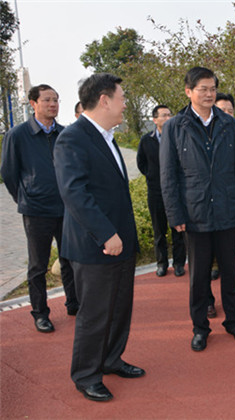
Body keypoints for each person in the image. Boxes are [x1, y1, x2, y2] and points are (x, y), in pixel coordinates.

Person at [54, 73, 144, 402]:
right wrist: (106, 234)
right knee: (95, 314)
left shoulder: (107, 137)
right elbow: (74, 193)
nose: (125, 104)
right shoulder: (73, 138)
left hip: (121, 242)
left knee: (119, 308)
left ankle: (111, 359)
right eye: (122, 98)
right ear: (104, 100)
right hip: (95, 246)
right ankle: (86, 375)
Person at [160, 66, 235, 352]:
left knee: (230, 273)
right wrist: (175, 214)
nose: (209, 94)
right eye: (203, 89)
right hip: (195, 213)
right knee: (198, 277)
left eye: (213, 88)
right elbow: (168, 174)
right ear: (189, 92)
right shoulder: (175, 126)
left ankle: (234, 322)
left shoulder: (228, 123)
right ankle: (200, 328)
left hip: (227, 210)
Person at [1, 84, 79, 333]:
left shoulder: (64, 134)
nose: (53, 104)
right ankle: (40, 314)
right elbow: (9, 173)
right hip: (36, 210)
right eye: (47, 100)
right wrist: (25, 197)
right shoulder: (17, 135)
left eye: (56, 100)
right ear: (33, 103)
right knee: (38, 266)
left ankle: (74, 303)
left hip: (65, 209)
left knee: (70, 259)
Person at [210, 92, 235, 315]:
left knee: (230, 260)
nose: (227, 114)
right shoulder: (202, 137)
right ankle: (207, 301)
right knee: (205, 260)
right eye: (222, 110)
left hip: (231, 207)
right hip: (206, 209)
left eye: (230, 111)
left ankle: (233, 299)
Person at [137, 105, 186, 277]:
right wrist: (152, 176)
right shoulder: (146, 140)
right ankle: (162, 263)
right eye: (164, 115)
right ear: (155, 119)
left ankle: (179, 263)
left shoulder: (178, 137)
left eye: (169, 115)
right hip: (156, 192)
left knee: (178, 229)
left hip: (175, 191)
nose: (168, 118)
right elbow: (141, 163)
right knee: (159, 231)